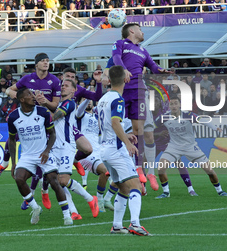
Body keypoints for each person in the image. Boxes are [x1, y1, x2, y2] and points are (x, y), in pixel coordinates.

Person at [0, 53, 61, 210]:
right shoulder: (27, 79)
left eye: (47, 61)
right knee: (11, 137)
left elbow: (55, 106)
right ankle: (4, 164)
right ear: (36, 64)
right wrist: (20, 96)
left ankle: (37, 192)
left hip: (43, 122)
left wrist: (45, 101)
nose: (46, 63)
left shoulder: (54, 80)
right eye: (43, 61)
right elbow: (9, 90)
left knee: (42, 160)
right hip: (26, 118)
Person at [111, 23, 168, 189]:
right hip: (121, 90)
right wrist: (123, 69)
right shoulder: (120, 43)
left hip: (138, 91)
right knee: (117, 127)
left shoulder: (143, 50)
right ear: (132, 31)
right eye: (140, 29)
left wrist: (161, 70)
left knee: (138, 131)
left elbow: (153, 66)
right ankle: (115, 165)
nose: (143, 32)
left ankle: (139, 167)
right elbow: (116, 58)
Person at [97, 65, 150, 236]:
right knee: (136, 186)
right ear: (126, 79)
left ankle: (117, 225)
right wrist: (127, 143)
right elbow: (114, 122)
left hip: (105, 149)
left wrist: (126, 136)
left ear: (109, 80)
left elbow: (108, 125)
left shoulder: (102, 99)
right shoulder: (118, 100)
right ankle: (135, 224)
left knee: (124, 188)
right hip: (116, 149)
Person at [8, 88, 72, 225]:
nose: (33, 96)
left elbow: (53, 134)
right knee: (19, 179)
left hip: (44, 153)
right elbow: (11, 140)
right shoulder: (13, 117)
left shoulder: (42, 112)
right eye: (29, 95)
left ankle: (67, 215)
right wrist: (13, 163)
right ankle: (35, 208)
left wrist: (47, 151)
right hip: (27, 155)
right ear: (22, 99)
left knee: (54, 181)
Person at [155, 95, 227, 198]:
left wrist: (214, 127)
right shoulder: (164, 117)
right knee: (161, 168)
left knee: (208, 170)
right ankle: (166, 192)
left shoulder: (188, 115)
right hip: (174, 147)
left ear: (180, 104)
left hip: (190, 147)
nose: (174, 106)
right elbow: (150, 126)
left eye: (176, 103)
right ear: (169, 106)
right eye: (171, 104)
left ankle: (220, 191)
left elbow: (202, 120)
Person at [51, 79, 99, 218]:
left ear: (73, 91)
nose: (63, 87)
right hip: (54, 147)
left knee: (63, 180)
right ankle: (73, 212)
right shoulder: (57, 103)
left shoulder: (69, 103)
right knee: (55, 180)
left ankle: (90, 199)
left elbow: (55, 117)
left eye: (66, 86)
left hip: (66, 146)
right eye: (62, 86)